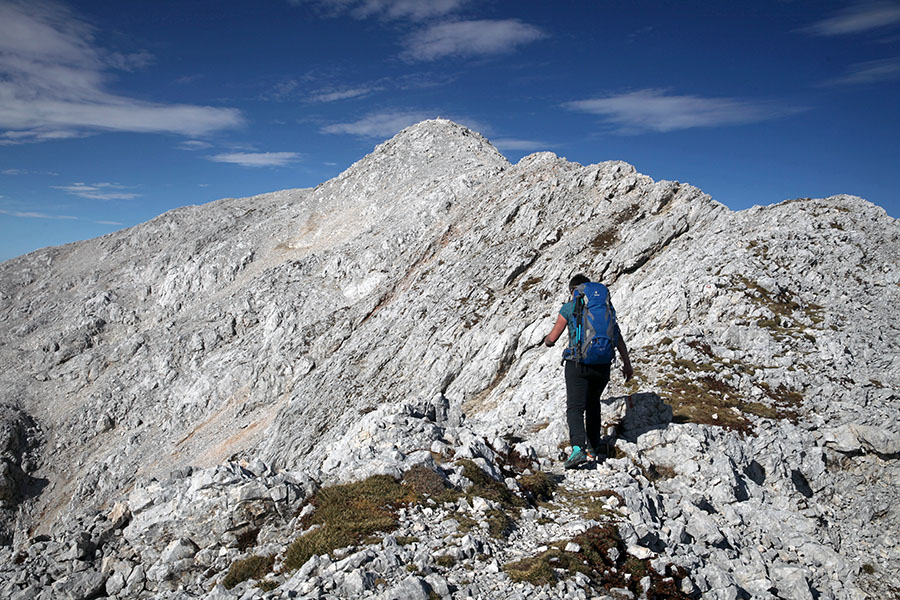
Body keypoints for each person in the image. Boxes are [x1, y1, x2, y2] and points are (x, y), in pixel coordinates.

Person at [543, 274, 633, 469]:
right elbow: (617, 337)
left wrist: (547, 341)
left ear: (573, 290)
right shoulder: (604, 308)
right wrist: (627, 364)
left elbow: (553, 337)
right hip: (602, 366)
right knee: (593, 405)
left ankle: (577, 449)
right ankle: (593, 449)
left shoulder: (569, 307)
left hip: (578, 364)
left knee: (575, 407)